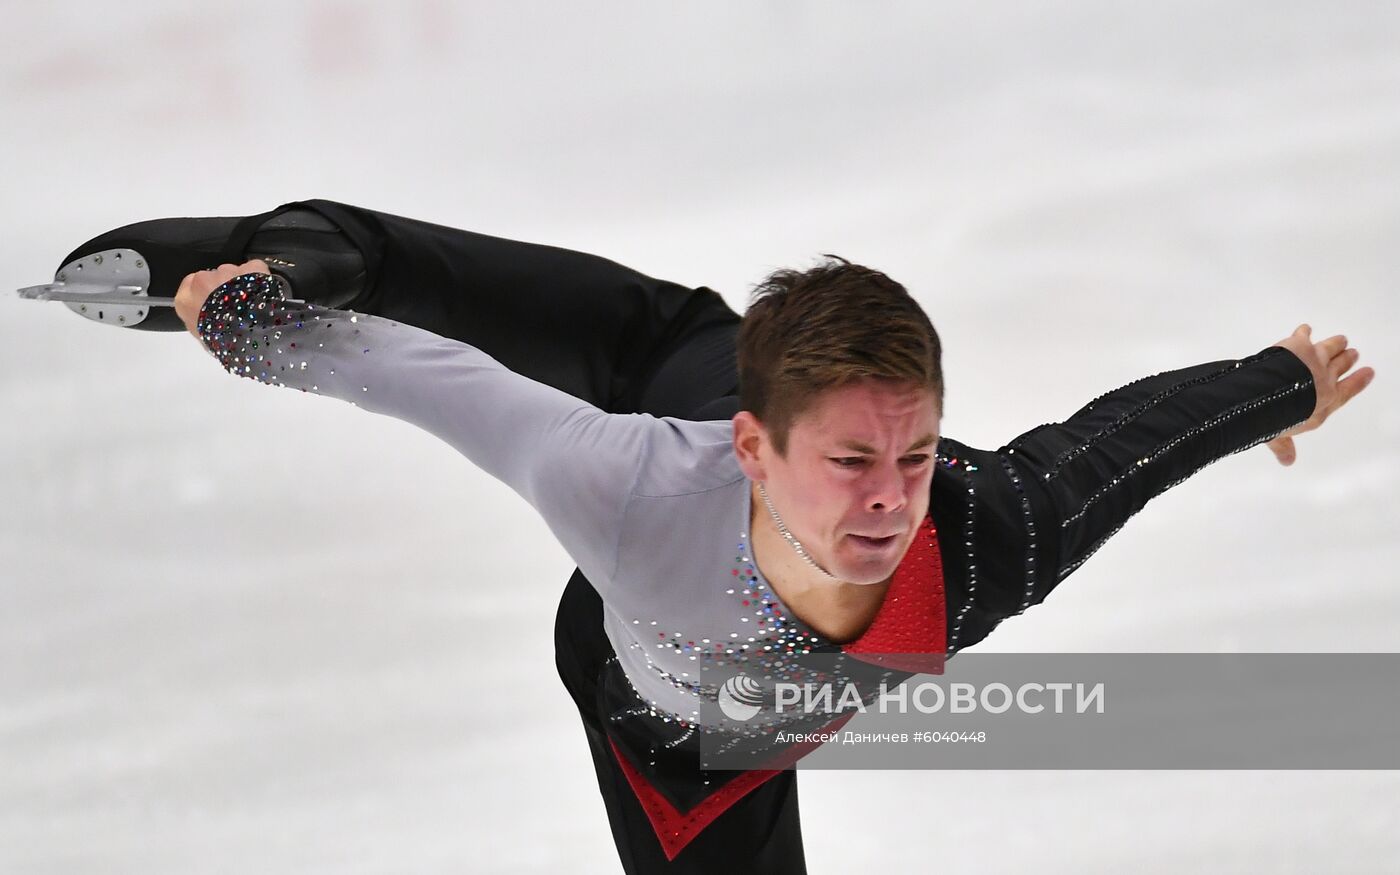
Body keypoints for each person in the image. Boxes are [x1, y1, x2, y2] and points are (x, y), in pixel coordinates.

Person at [65, 200, 1374, 872]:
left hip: (717, 757)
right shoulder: (625, 488)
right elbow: (432, 380)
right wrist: (255, 322)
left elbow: (1114, 453)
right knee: (498, 300)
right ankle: (300, 248)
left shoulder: (975, 541)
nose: (889, 502)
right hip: (651, 663)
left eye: (913, 456)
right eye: (854, 464)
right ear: (760, 447)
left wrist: (1276, 383)